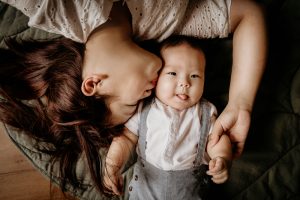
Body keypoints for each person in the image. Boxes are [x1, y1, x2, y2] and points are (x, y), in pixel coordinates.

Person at [0, 0, 266, 197]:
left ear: (93, 83)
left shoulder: (60, 9)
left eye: (129, 104)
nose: (146, 97)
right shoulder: (170, 22)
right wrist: (241, 103)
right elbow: (248, 15)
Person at [104, 36, 232, 199]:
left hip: (188, 192)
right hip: (146, 188)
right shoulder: (145, 108)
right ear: (155, 78)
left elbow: (217, 140)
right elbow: (127, 138)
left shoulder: (205, 112)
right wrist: (112, 165)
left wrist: (222, 158)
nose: (185, 83)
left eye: (194, 76)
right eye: (173, 73)